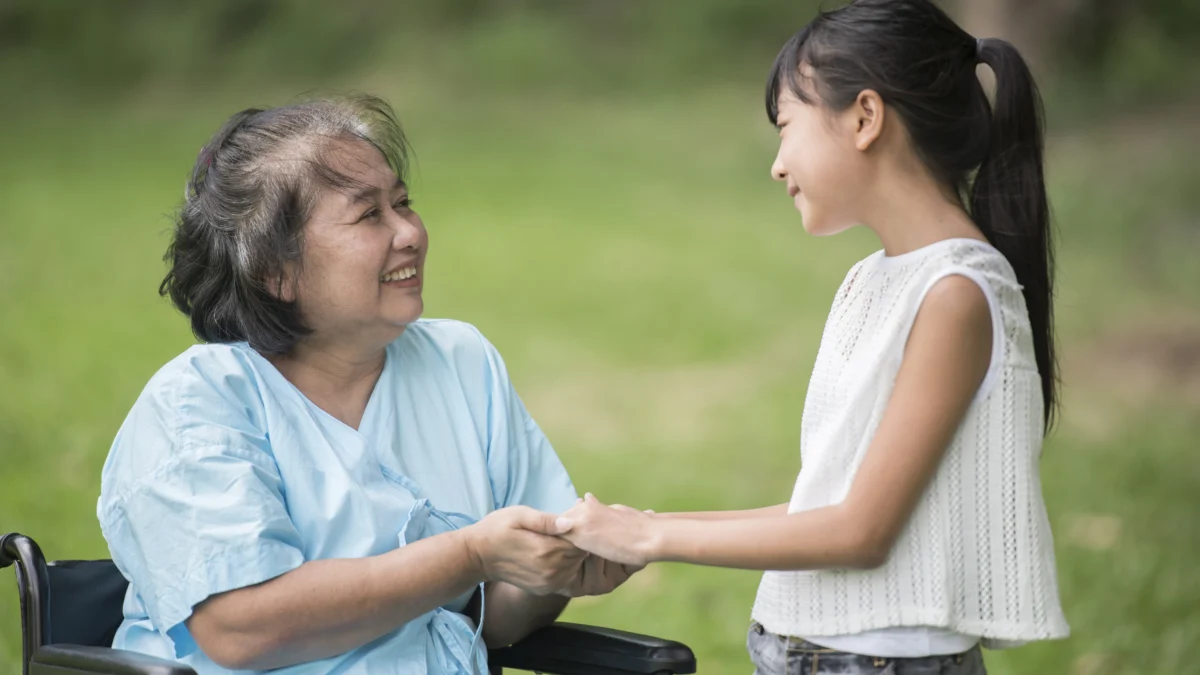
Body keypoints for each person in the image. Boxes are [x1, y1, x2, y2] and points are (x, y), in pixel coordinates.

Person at [555, 1, 1070, 672]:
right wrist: (642, 529)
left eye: (785, 127)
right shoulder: (873, 280)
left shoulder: (955, 293)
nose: (776, 164)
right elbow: (822, 508)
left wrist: (652, 534)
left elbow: (861, 532)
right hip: (815, 651)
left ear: (864, 117)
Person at [97, 95, 633, 675]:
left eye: (404, 203)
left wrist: (555, 574)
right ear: (275, 272)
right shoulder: (200, 402)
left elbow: (493, 619)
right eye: (369, 215)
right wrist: (470, 553)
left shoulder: (461, 362)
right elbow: (241, 627)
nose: (409, 233)